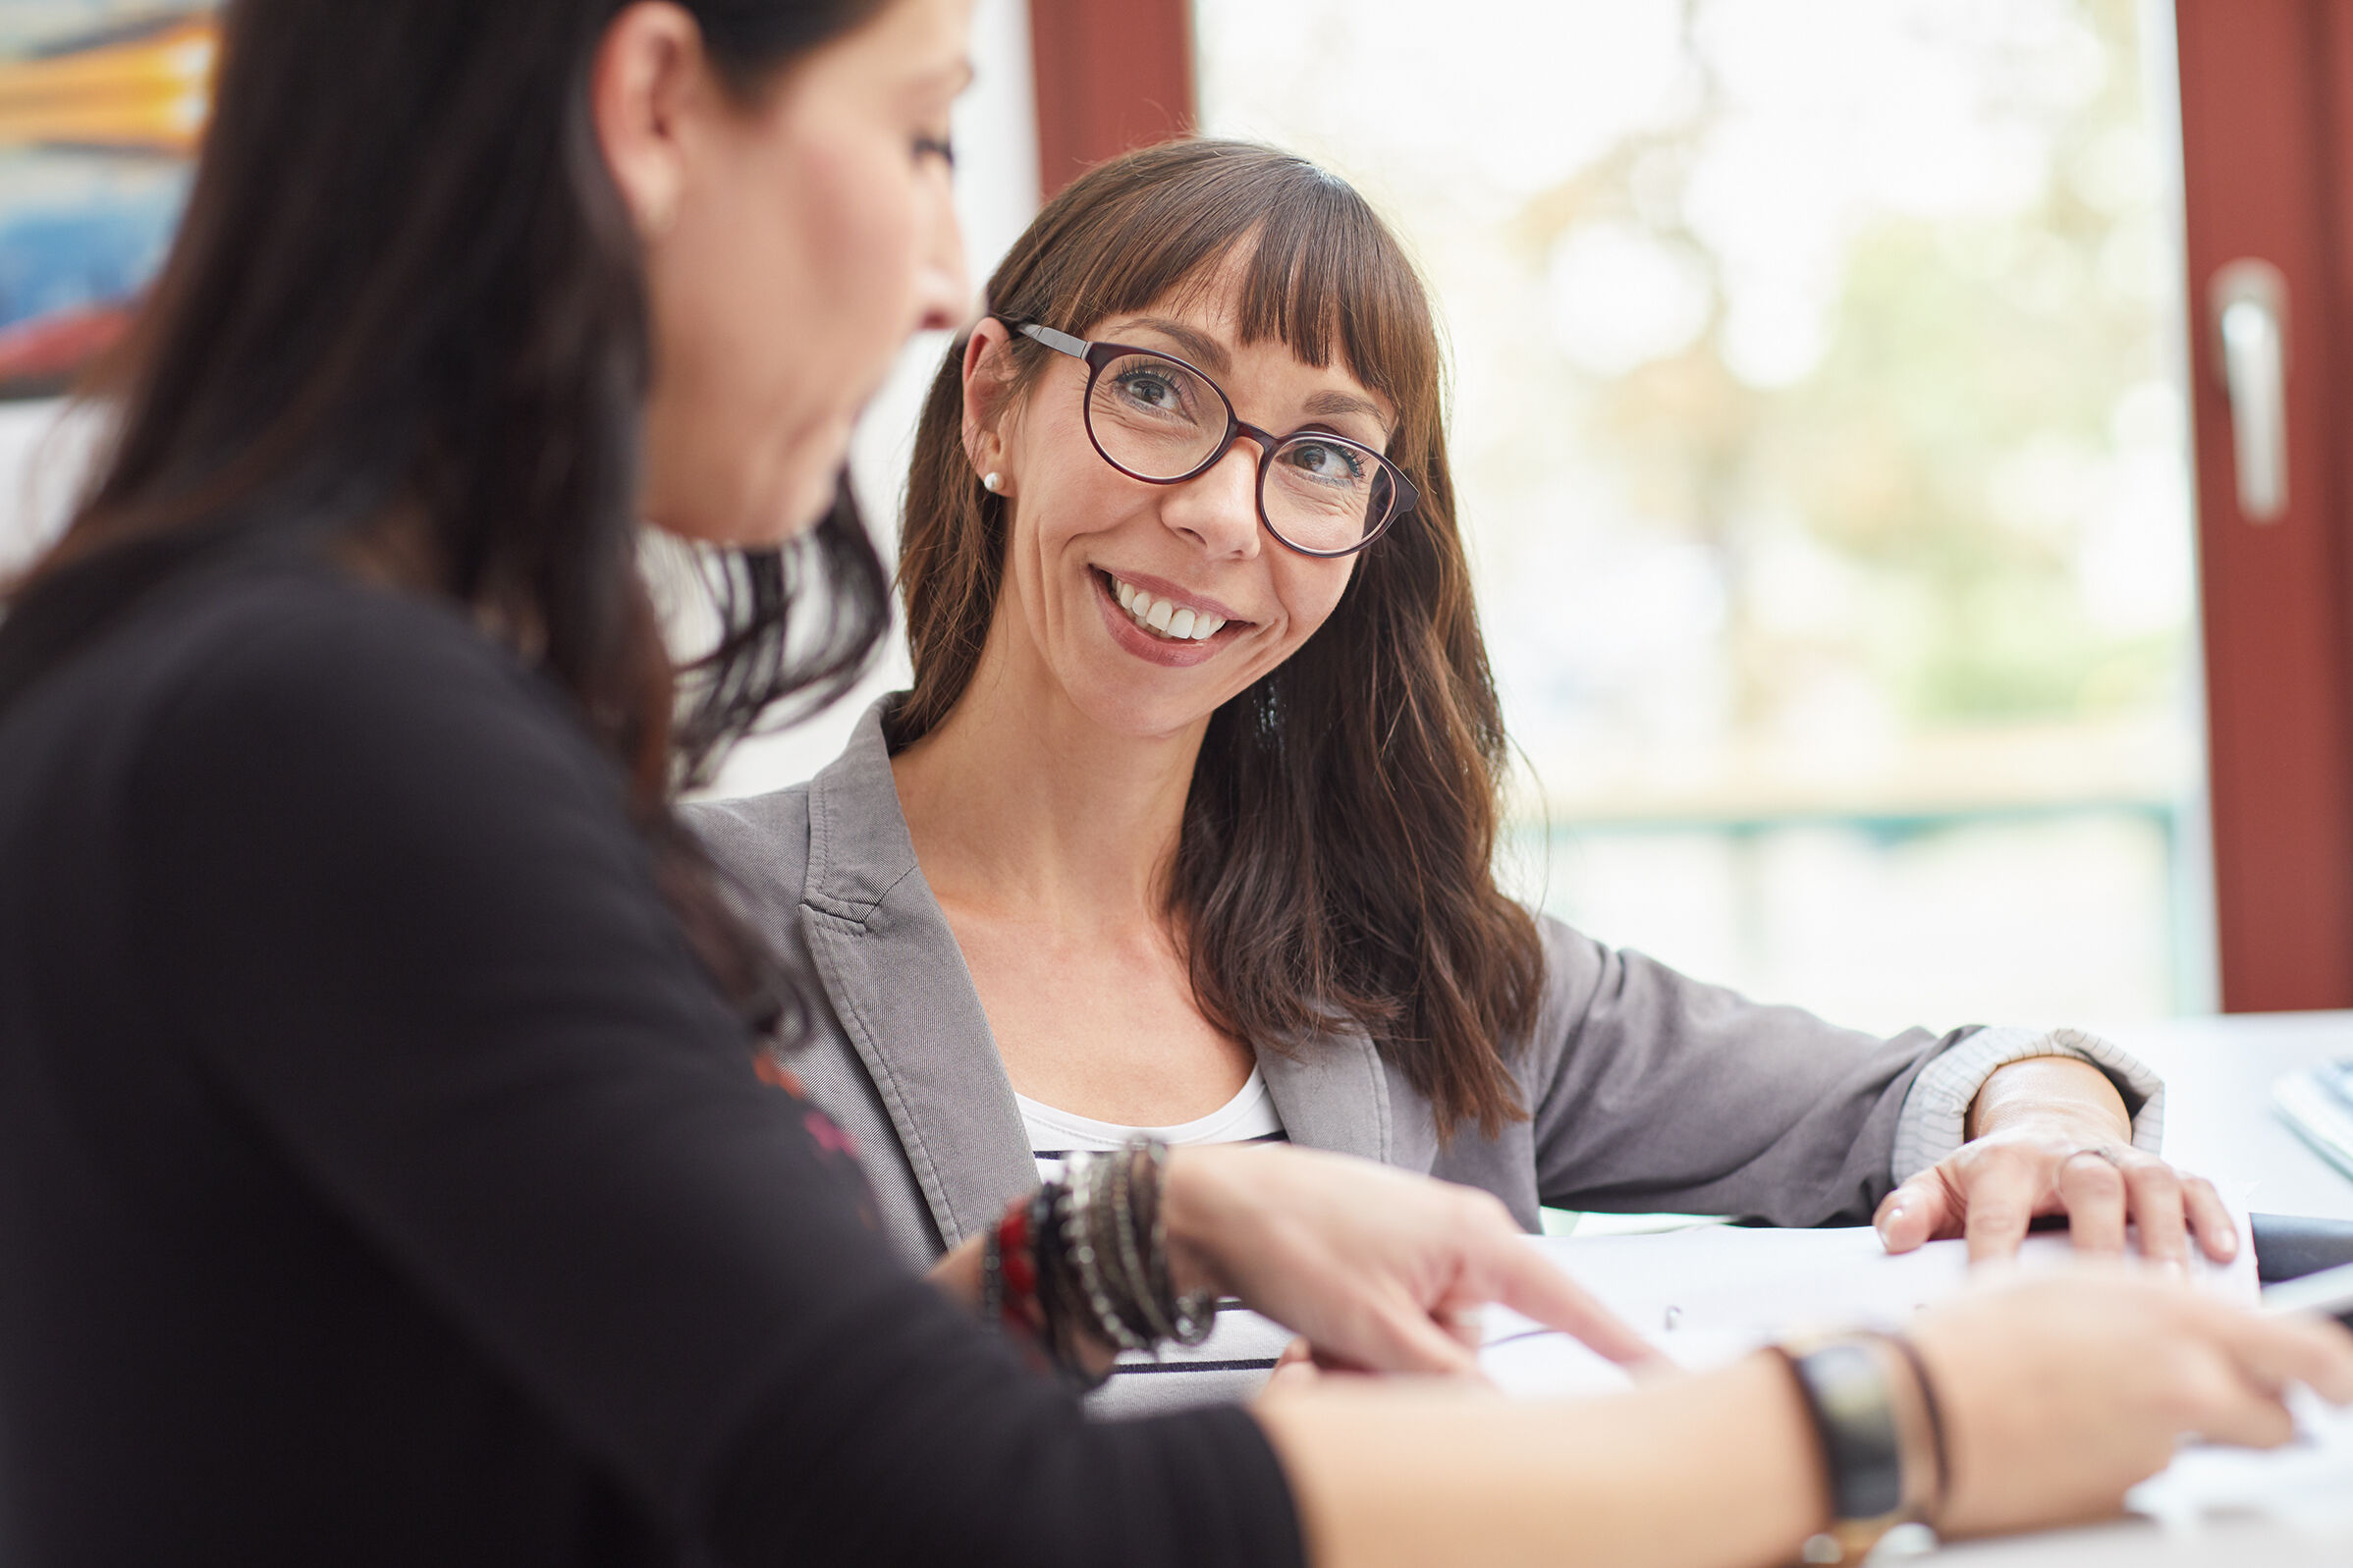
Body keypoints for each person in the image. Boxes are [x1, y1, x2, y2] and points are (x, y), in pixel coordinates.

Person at [1, 5, 2345, 1568]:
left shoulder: (263, 679)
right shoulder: (342, 735)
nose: (939, 268)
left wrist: (1134, 1233)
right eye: (922, 135)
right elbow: (922, 1505)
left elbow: (659, 1422)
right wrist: (1889, 1427)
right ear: (645, 106)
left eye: (1320, 457)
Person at [688, 136, 2236, 1410]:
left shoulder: (1409, 958)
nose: (1229, 515)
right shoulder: (689, 922)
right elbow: (719, 1449)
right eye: (1157, 388)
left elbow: (1908, 1090)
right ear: (992, 410)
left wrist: (2060, 1116)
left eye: (1320, 455)